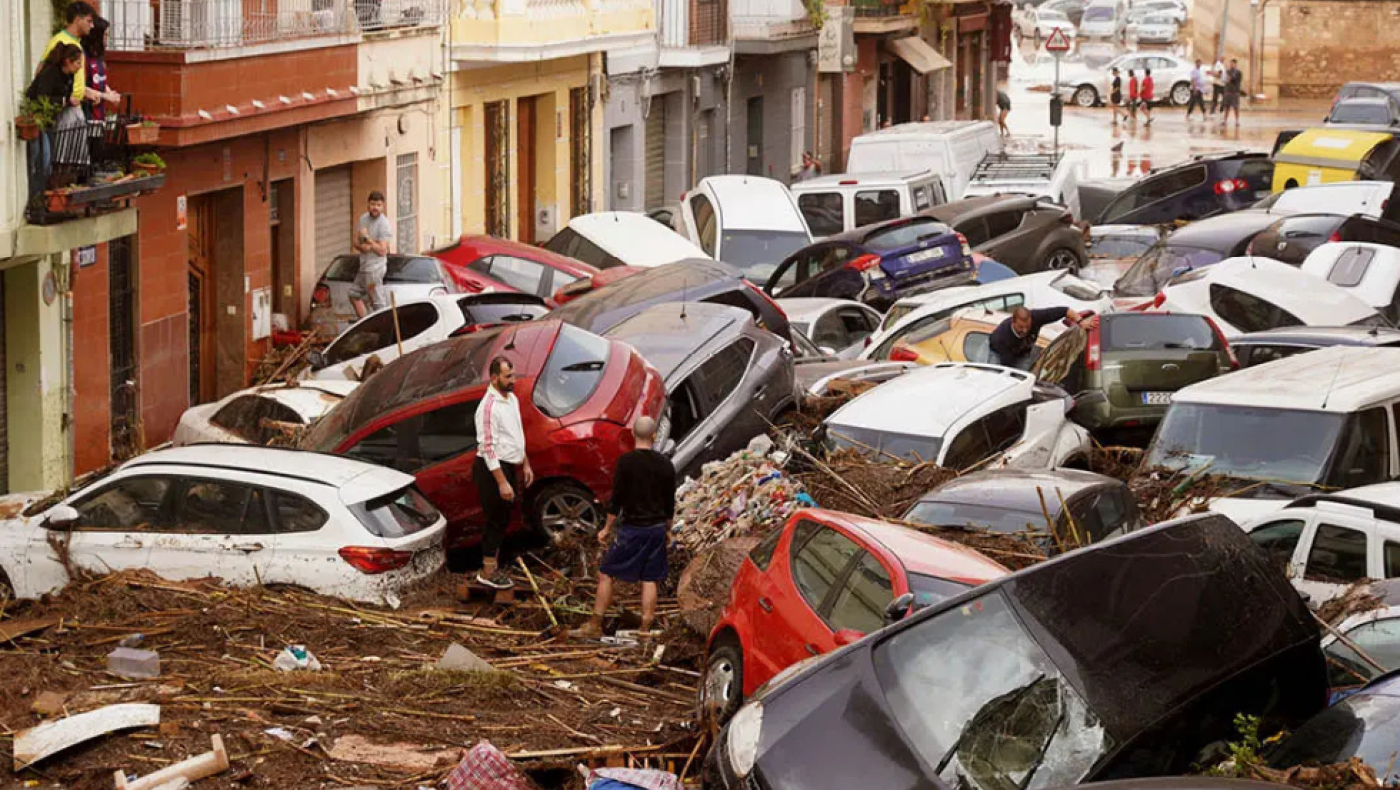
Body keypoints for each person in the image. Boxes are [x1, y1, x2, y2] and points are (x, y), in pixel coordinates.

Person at [572, 416, 676, 639]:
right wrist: (667, 529)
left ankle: (595, 623)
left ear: (633, 435)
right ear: (654, 436)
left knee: (606, 572)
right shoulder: (666, 464)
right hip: (656, 529)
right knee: (650, 579)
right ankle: (645, 629)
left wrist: (606, 529)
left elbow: (616, 500)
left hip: (633, 529)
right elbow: (669, 503)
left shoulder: (625, 463)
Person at [471, 356, 534, 590]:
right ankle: (487, 571)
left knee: (506, 516)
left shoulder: (512, 399)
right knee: (496, 519)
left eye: (513, 375)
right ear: (494, 377)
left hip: (510, 465)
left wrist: (525, 462)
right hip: (492, 470)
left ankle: (494, 565)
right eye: (508, 376)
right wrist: (502, 482)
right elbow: (488, 447)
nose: (513, 380)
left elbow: (516, 434)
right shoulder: (488, 407)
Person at [25, 43, 84, 206]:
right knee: (41, 160)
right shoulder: (50, 73)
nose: (80, 67)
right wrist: (64, 101)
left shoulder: (69, 77)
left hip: (51, 120)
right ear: (67, 61)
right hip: (38, 118)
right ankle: (35, 200)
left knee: (48, 162)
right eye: (77, 63)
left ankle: (41, 197)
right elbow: (41, 96)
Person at [989, 306, 1098, 370]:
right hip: (997, 353)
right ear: (1013, 322)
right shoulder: (1002, 337)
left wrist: (1081, 322)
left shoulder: (1037, 316)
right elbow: (1008, 368)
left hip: (1022, 352)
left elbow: (1065, 311)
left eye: (1028, 326)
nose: (1025, 331)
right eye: (1021, 327)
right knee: (1002, 379)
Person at [41, 2, 97, 109]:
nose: (92, 25)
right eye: (89, 21)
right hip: (62, 109)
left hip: (75, 107)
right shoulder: (59, 41)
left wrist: (87, 92)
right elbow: (42, 74)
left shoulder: (76, 43)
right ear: (77, 20)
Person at [349, 190, 393, 318]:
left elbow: (382, 250)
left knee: (378, 303)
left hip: (375, 269)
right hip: (364, 267)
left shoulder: (384, 224)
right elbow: (355, 242)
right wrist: (362, 247)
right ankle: (365, 325)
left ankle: (383, 330)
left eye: (378, 205)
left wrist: (368, 238)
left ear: (382, 207)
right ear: (368, 204)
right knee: (353, 295)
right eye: (373, 204)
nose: (375, 208)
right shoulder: (363, 219)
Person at [81, 16, 120, 123]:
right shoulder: (83, 56)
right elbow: (80, 86)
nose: (107, 39)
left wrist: (110, 93)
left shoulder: (98, 57)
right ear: (97, 35)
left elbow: (100, 79)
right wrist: (105, 96)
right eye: (105, 35)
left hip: (99, 113)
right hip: (86, 113)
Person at [1221, 58, 1244, 128]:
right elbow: (1224, 79)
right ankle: (1225, 121)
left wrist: (1229, 78)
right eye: (1230, 63)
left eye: (1233, 63)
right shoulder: (1227, 71)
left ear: (1236, 64)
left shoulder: (1238, 72)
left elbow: (1233, 79)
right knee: (1227, 107)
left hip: (1235, 92)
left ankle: (1237, 121)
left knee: (1235, 107)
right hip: (1228, 91)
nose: (1231, 65)